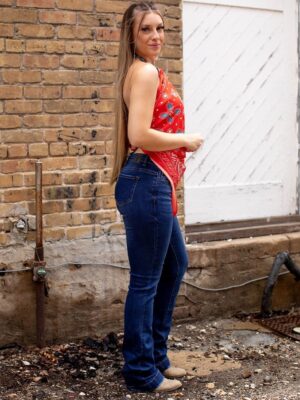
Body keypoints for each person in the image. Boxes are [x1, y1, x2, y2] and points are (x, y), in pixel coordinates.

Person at [110, 1, 203, 393]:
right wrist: (186, 140)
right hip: (146, 180)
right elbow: (139, 136)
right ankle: (141, 371)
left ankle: (157, 356)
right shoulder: (145, 72)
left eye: (160, 28)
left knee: (174, 265)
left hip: (151, 182)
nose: (156, 36)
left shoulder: (144, 71)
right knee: (146, 281)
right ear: (132, 36)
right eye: (146, 29)